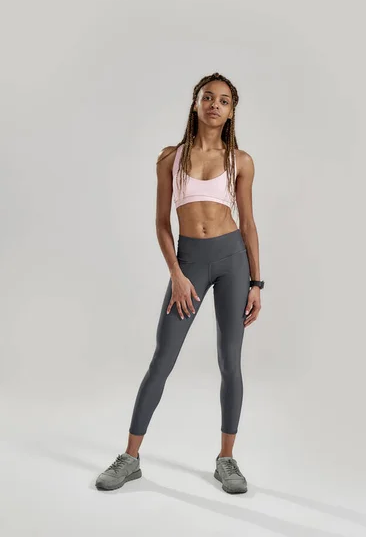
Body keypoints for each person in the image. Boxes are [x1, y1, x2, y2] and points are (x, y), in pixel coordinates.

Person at [95, 72, 264, 495]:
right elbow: (161, 222)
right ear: (195, 103)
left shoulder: (239, 160)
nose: (214, 104)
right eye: (207, 97)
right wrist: (177, 274)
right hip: (188, 263)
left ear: (231, 111)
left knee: (230, 360)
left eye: (224, 101)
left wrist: (257, 282)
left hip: (232, 262)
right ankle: (130, 458)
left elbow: (248, 223)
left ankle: (227, 460)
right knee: (162, 359)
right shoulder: (171, 158)